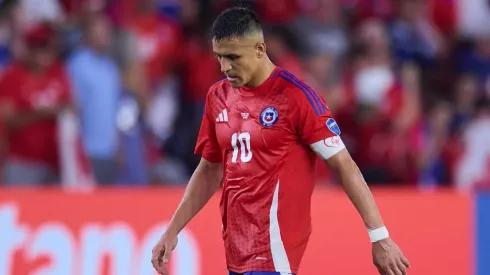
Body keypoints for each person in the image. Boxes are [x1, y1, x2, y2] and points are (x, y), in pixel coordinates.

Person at [151, 7, 410, 275]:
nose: (224, 67)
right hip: (236, 253)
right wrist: (172, 231)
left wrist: (379, 236)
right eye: (219, 57)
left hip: (275, 256)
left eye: (233, 57)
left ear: (260, 49)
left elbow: (344, 164)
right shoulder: (218, 97)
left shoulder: (296, 97)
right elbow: (209, 170)